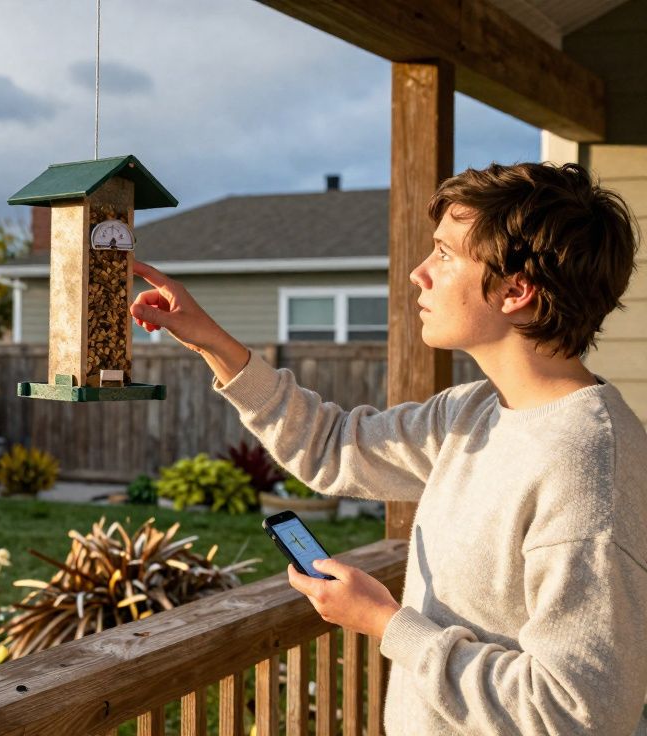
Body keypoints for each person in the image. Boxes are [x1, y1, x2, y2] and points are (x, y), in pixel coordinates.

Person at [129, 162, 647, 735]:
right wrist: (211, 340)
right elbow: (331, 447)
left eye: (446, 254)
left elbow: (578, 714)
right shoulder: (472, 411)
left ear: (516, 290)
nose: (417, 274)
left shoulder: (587, 464)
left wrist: (386, 623)